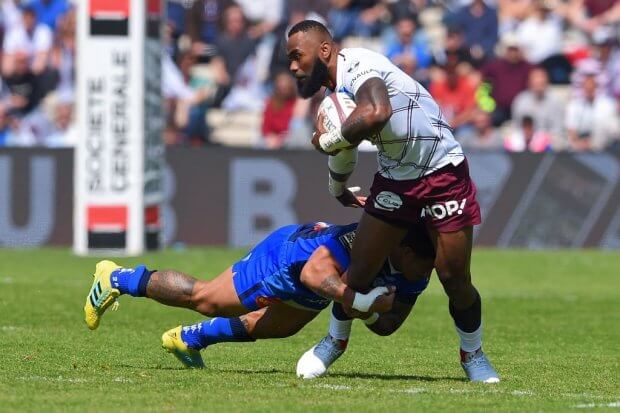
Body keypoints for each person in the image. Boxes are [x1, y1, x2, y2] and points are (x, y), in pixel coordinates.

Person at [286, 20, 499, 383]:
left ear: (324, 50)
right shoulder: (333, 96)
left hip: (443, 173)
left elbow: (377, 112)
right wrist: (338, 187)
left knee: (454, 278)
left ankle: (473, 354)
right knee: (358, 271)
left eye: (296, 56)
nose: (293, 66)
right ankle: (334, 342)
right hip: (396, 181)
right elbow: (344, 149)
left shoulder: (359, 66)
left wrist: (329, 139)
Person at [83, 222, 431, 369]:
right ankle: (116, 277)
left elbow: (388, 325)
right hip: (286, 261)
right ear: (406, 252)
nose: (426, 275)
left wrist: (369, 312)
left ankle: (189, 340)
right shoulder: (363, 242)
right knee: (204, 299)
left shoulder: (415, 268)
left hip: (318, 284)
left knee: (276, 327)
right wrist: (362, 303)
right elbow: (314, 273)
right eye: (424, 266)